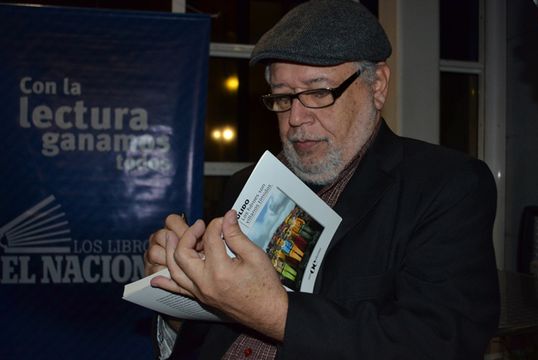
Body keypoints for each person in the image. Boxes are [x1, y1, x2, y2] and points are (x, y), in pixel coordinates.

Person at [143, 0, 500, 358]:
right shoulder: (245, 185)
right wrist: (181, 300)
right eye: (283, 97)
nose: (296, 118)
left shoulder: (446, 186)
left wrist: (271, 311)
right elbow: (214, 331)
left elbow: (439, 342)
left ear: (377, 86)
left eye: (318, 93)